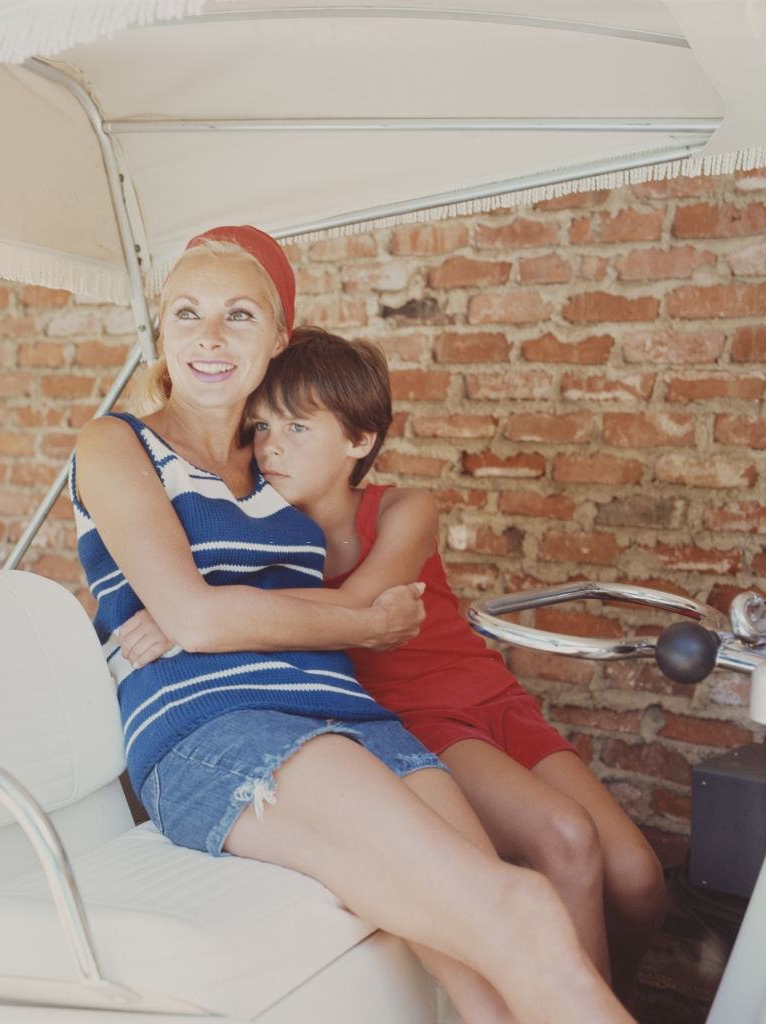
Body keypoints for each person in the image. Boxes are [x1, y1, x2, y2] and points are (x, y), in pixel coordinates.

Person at [73, 224, 633, 1023]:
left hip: (354, 717)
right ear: (161, 330)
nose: (208, 335)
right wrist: (270, 620)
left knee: (490, 972)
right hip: (219, 726)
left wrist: (235, 615)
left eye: (238, 314)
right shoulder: (116, 442)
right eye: (186, 312)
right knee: (522, 910)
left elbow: (328, 603)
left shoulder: (276, 463)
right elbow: (202, 618)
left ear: (278, 336)